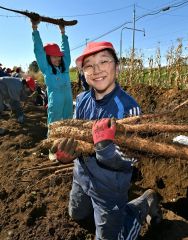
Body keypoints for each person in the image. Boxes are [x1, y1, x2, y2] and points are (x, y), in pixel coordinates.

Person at [50, 42, 162, 240]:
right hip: (82, 177)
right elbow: (75, 141)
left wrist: (105, 148)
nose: (97, 69)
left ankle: (143, 204)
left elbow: (132, 159)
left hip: (109, 187)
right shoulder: (82, 99)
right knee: (75, 215)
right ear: (83, 73)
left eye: (104, 61)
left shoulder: (129, 109)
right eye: (89, 65)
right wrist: (65, 155)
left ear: (116, 67)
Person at [31, 19, 73, 125]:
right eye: (54, 57)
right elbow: (39, 51)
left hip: (68, 99)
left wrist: (63, 32)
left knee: (69, 122)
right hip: (55, 101)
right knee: (54, 123)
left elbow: (66, 50)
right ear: (47, 57)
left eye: (58, 56)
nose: (57, 59)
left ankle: (67, 140)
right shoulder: (46, 68)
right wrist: (35, 28)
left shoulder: (65, 65)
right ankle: (51, 141)